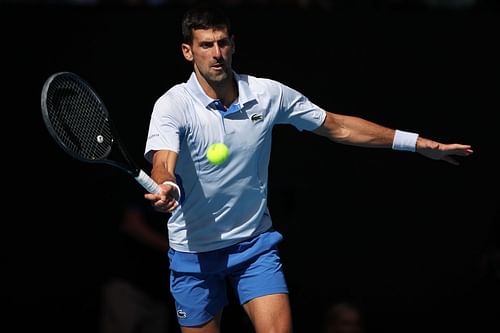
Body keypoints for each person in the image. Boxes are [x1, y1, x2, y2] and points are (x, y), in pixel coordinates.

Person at [142, 4, 473, 333]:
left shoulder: (267, 94)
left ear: (233, 44)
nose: (217, 53)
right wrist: (167, 183)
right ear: (188, 51)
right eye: (206, 45)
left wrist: (414, 142)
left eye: (223, 43)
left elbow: (337, 127)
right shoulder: (173, 105)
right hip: (194, 254)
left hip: (252, 246)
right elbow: (163, 162)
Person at [98, 191, 178, 333]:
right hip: (128, 284)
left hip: (162, 291)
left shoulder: (186, 187)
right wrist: (176, 250)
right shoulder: (141, 185)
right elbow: (131, 224)